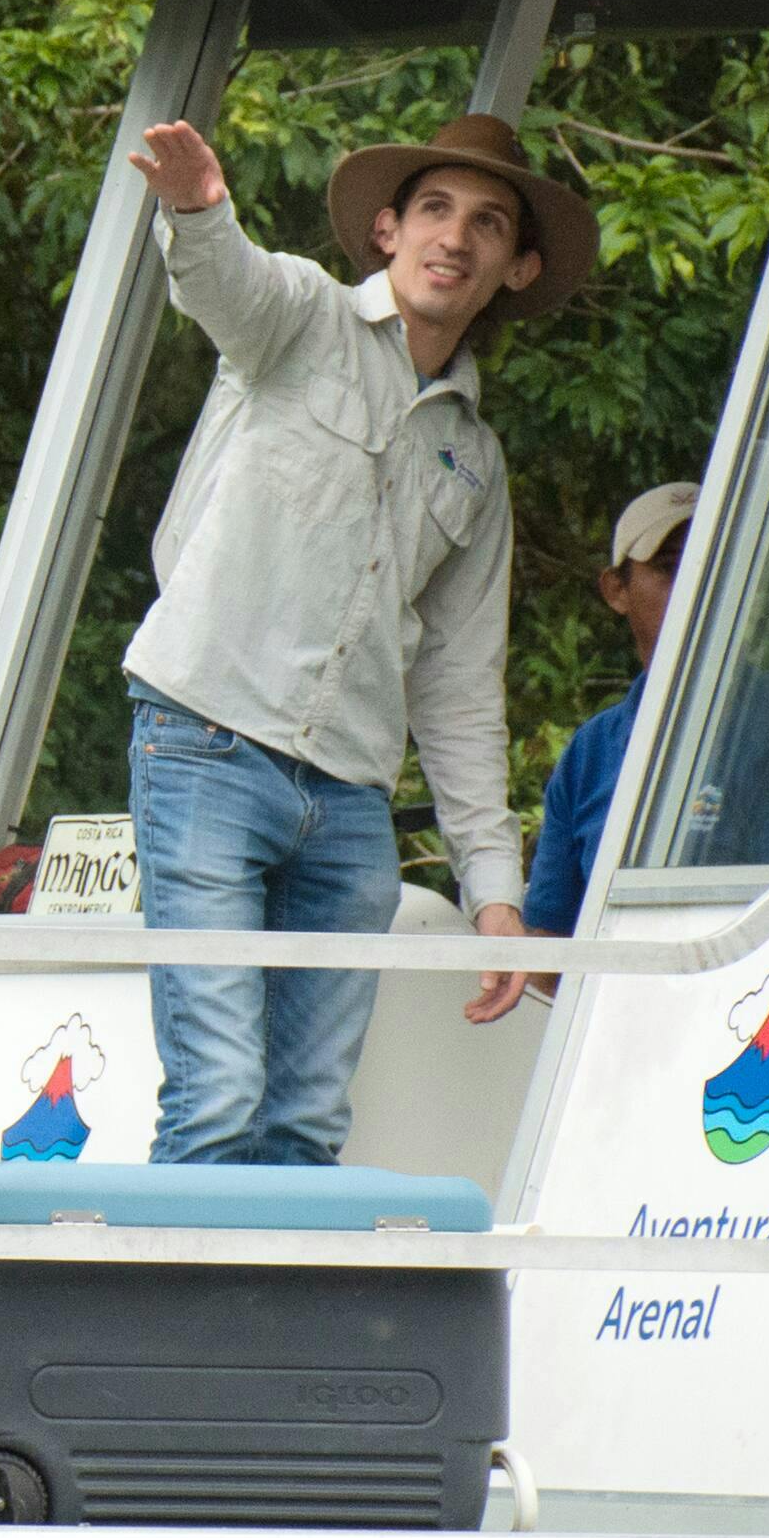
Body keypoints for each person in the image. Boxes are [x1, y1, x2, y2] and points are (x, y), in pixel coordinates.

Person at [120, 110, 587, 1156]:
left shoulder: (476, 459)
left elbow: (462, 687)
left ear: (513, 268)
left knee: (306, 1125)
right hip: (203, 739)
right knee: (217, 1098)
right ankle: (165, 1324)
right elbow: (222, 281)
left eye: (486, 223)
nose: (453, 238)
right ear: (385, 230)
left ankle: (268, 1327)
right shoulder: (302, 316)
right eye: (433, 209)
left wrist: (495, 894)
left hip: (347, 802)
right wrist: (197, 210)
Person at [515, 481, 769, 974]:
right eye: (669, 568)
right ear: (615, 590)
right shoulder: (590, 752)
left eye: (715, 563)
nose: (696, 585)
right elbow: (547, 947)